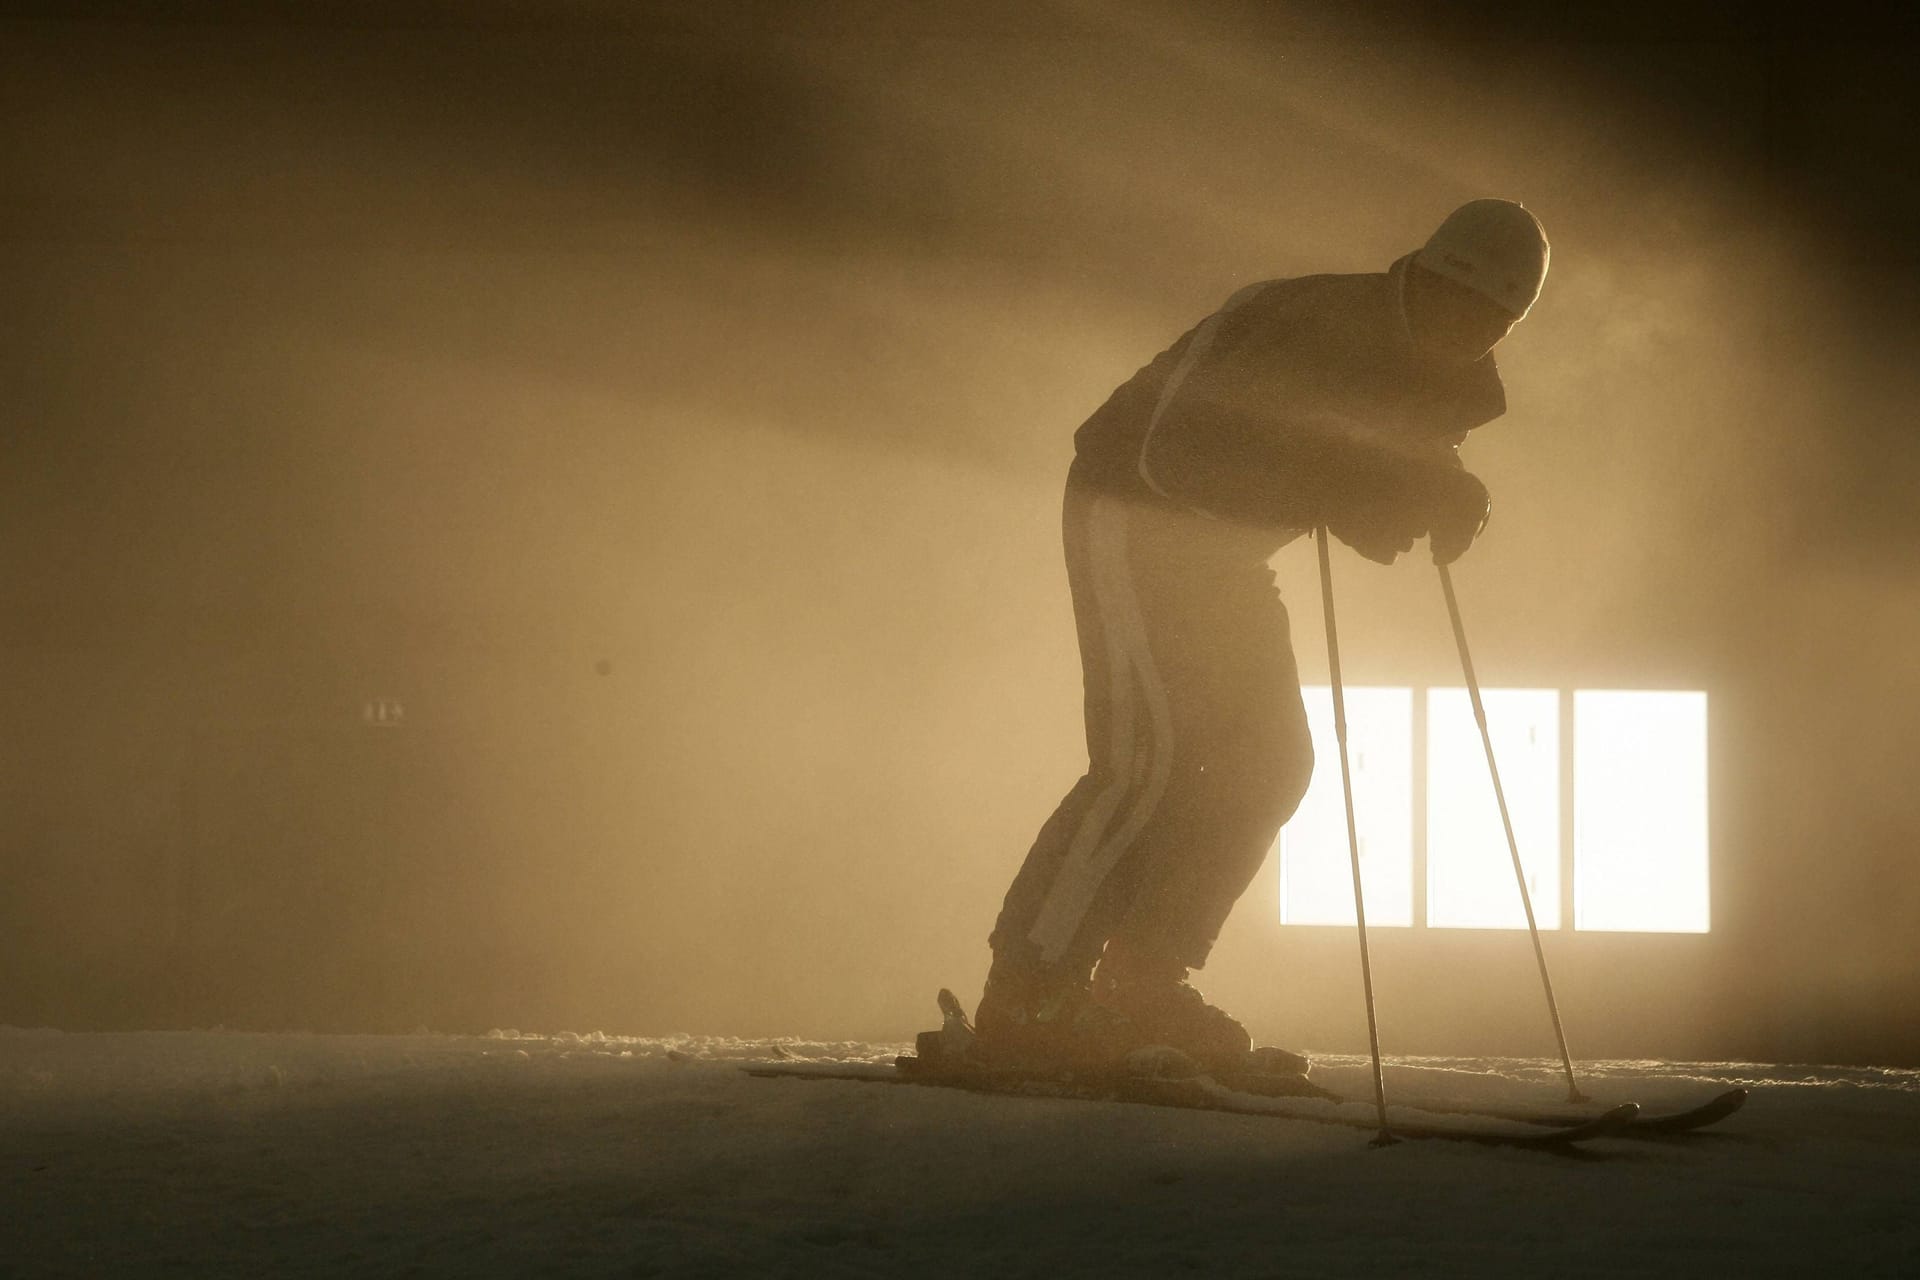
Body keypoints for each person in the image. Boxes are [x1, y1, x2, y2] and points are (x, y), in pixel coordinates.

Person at [975, 199, 1551, 1071]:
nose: (1464, 332)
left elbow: (1404, 454)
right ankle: (1028, 994)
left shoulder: (1459, 378)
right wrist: (1337, 489)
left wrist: (1446, 493)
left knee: (1272, 761)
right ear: (1423, 275)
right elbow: (1171, 454)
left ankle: (1142, 981)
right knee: (1148, 759)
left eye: (1490, 321)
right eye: (1453, 303)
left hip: (1229, 557)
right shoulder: (1308, 324)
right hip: (1135, 516)